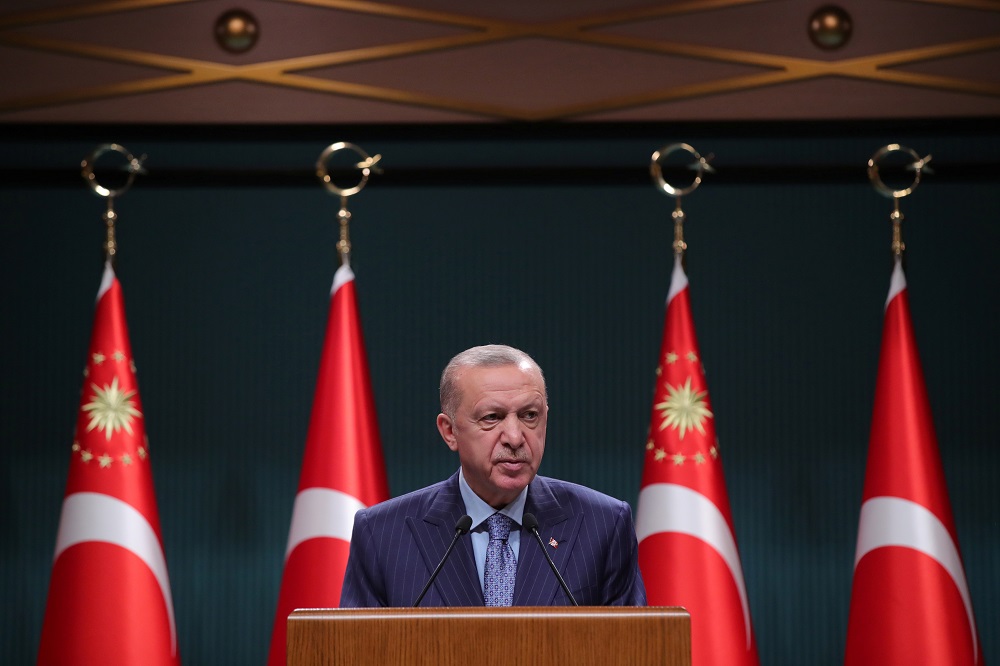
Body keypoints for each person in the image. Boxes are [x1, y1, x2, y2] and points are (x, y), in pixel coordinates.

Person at [340, 344, 646, 607]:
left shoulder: (603, 525)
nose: (515, 437)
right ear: (450, 431)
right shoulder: (382, 534)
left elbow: (632, 651)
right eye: (492, 417)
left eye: (530, 416)